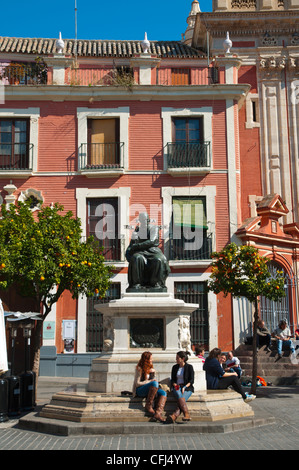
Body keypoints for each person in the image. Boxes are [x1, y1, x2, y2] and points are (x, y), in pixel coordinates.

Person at [125, 212, 171, 290]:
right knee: (136, 258)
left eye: (145, 219)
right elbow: (131, 245)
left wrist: (137, 246)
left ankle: (156, 284)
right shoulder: (137, 230)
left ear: (148, 220)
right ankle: (136, 284)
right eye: (142, 220)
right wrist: (129, 251)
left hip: (152, 251)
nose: (144, 221)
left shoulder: (154, 228)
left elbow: (152, 241)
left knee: (159, 260)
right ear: (139, 221)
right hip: (140, 252)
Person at [132, 351, 167, 422]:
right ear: (146, 360)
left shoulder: (150, 367)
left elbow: (152, 380)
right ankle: (149, 405)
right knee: (154, 383)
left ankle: (158, 413)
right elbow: (137, 383)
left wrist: (153, 373)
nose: (152, 360)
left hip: (150, 389)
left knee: (163, 393)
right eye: (151, 359)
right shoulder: (139, 368)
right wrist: (149, 381)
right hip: (140, 390)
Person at [169, 351, 194, 422]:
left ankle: (174, 415)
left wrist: (185, 387)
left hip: (187, 387)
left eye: (177, 358)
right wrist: (175, 384)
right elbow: (173, 380)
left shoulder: (189, 367)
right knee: (179, 395)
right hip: (177, 386)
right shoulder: (174, 367)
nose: (176, 359)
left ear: (182, 359)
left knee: (182, 398)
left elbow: (191, 380)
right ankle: (186, 414)